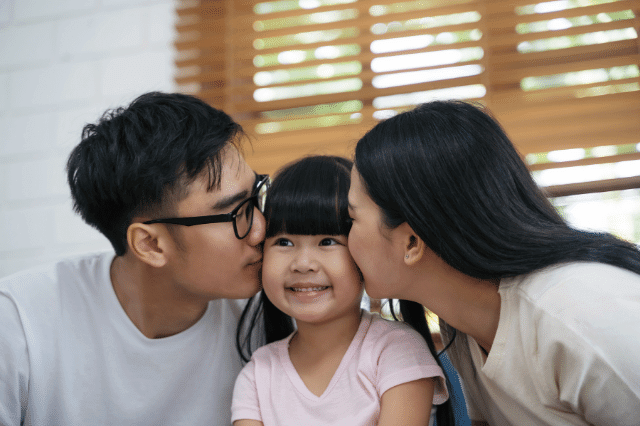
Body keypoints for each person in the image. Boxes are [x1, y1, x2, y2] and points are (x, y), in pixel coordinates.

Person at [346, 100, 640, 425]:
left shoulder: (582, 317)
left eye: (352, 218)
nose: (346, 240)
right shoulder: (462, 324)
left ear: (412, 242)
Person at [0, 92, 268, 425]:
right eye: (235, 213)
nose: (261, 229)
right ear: (150, 244)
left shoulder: (269, 319)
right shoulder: (19, 324)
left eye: (257, 194)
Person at [232, 155, 452, 426]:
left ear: (365, 252)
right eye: (284, 242)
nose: (303, 264)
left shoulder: (395, 350)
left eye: (327, 241)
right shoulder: (258, 373)